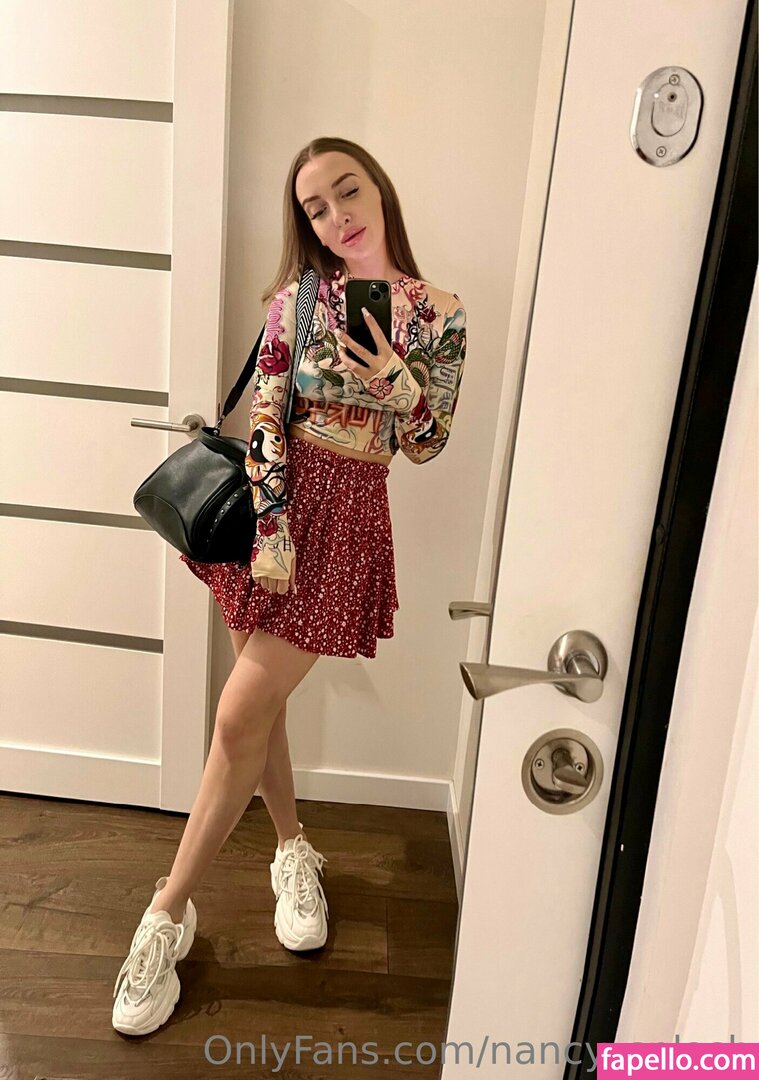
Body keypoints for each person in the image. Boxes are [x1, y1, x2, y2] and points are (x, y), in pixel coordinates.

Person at [112, 136, 467, 1036]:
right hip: (269, 515)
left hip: (348, 522)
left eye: (348, 192)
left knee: (239, 715)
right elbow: (267, 411)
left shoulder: (439, 313)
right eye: (316, 207)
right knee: (255, 712)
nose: (336, 215)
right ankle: (290, 850)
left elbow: (427, 443)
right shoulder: (297, 300)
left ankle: (166, 911)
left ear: (380, 191)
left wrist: (392, 378)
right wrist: (271, 529)